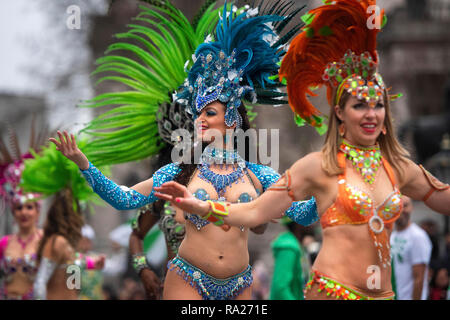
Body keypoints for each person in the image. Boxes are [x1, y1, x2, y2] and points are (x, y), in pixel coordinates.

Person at [154, 0, 450, 300]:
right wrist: (201, 207)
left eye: (378, 106)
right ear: (339, 114)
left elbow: (443, 198)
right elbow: (257, 211)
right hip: (331, 292)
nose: (370, 114)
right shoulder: (317, 166)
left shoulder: (399, 167)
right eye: (359, 105)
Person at [50, 2, 318, 300]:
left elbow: (302, 214)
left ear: (231, 118)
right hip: (188, 280)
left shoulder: (259, 175)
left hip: (240, 285)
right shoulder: (179, 171)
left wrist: (331, 184)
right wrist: (84, 163)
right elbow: (123, 199)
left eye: (209, 113)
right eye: (198, 113)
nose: (199, 120)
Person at [19, 141, 105, 300]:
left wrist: (90, 263)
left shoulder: (69, 243)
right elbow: (40, 283)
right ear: (71, 213)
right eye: (78, 210)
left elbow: (73, 282)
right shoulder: (57, 242)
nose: (81, 216)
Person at [0, 125, 44, 299]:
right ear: (13, 212)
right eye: (19, 207)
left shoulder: (48, 240)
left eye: (29, 207)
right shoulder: (4, 243)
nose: (24, 212)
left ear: (38, 211)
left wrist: (74, 290)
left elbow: (73, 264)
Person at [390, 196, 432, 300]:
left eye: (405, 206)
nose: (401, 210)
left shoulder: (417, 236)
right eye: (397, 207)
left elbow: (419, 277)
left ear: (412, 208)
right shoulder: (392, 236)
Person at [270, 216, 311, 300]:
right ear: (299, 224)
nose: (313, 223)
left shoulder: (298, 245)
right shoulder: (288, 248)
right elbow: (280, 287)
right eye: (310, 218)